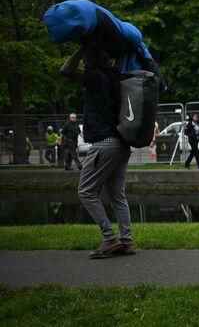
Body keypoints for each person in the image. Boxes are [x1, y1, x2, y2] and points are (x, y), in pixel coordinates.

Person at [60, 45, 135, 259]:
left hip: (104, 143)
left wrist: (83, 48)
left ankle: (110, 238)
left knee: (85, 191)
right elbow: (118, 59)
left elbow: (65, 70)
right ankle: (126, 242)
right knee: (117, 195)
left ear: (89, 61)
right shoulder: (115, 77)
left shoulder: (94, 78)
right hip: (122, 144)